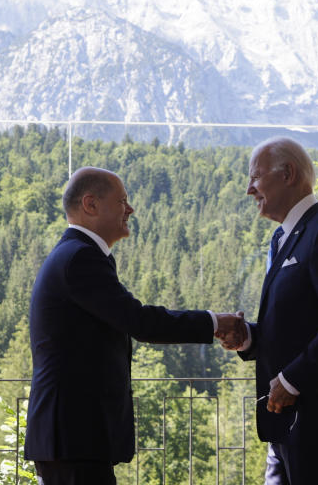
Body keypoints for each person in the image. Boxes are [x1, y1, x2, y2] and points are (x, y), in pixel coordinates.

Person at [24, 166, 245, 485]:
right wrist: (214, 322)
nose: (130, 209)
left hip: (74, 437)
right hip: (72, 435)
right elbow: (140, 322)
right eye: (122, 201)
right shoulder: (79, 259)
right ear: (91, 204)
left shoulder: (77, 255)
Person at [223, 137, 318, 484]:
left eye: (255, 177)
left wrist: (292, 382)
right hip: (287, 422)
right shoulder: (281, 238)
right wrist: (248, 337)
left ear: (288, 174)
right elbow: (296, 326)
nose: (249, 189)